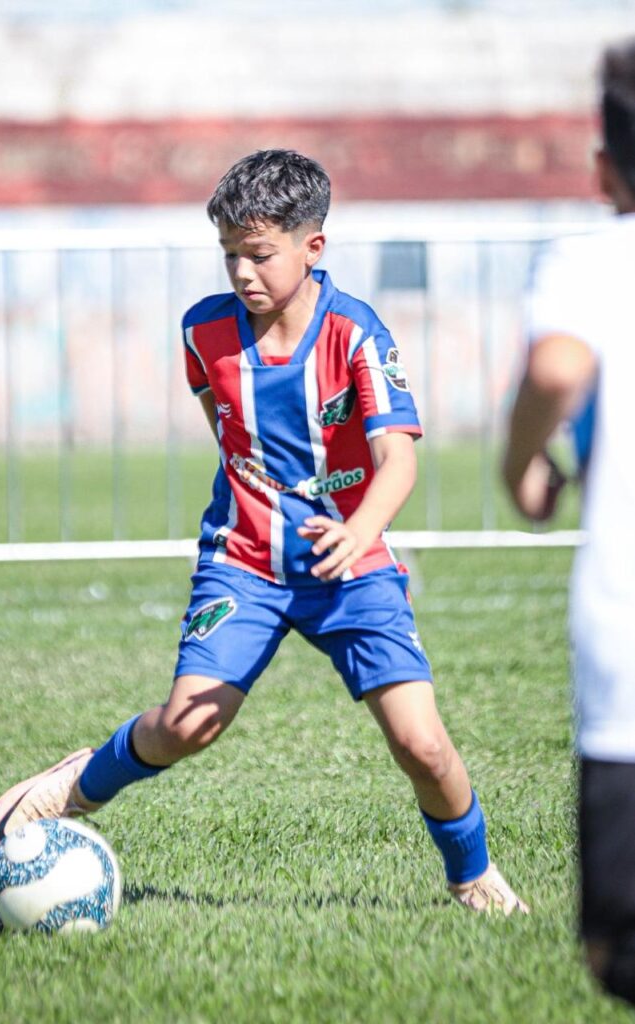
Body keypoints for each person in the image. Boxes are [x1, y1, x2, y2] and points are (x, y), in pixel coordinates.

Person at [0, 149, 527, 916]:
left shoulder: (356, 335)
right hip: (244, 561)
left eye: (260, 254)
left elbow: (397, 461)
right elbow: (229, 430)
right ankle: (75, 786)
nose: (242, 272)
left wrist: (358, 531)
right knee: (189, 725)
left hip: (349, 564)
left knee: (421, 745)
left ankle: (471, 876)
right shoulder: (203, 332)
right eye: (229, 254)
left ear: (313, 247)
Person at [503, 39, 635, 1001]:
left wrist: (520, 467)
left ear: (602, 168)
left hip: (624, 637)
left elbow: (555, 368)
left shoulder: (590, 260)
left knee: (617, 954)